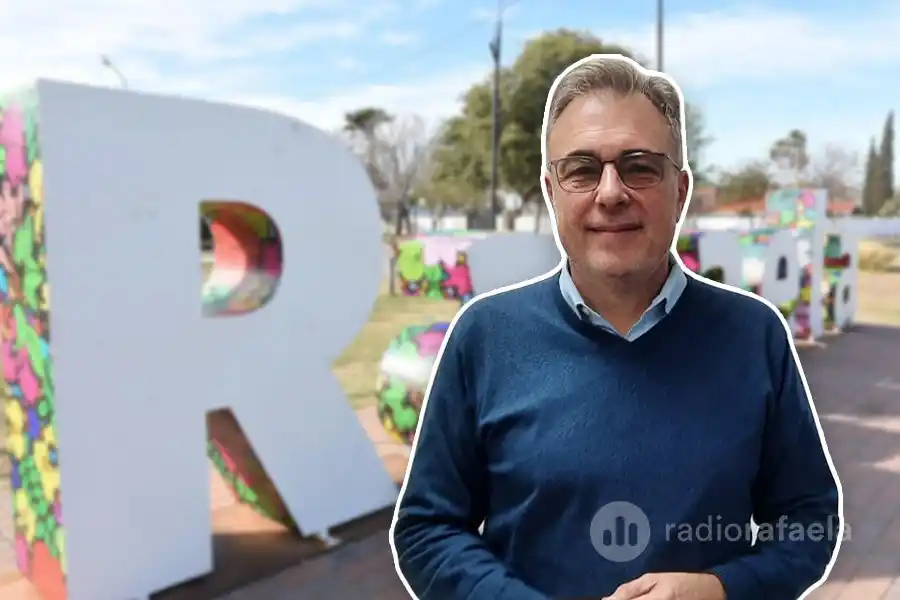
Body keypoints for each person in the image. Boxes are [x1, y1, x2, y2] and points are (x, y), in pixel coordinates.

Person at [389, 54, 842, 600]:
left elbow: (809, 522)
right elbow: (427, 530)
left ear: (680, 191)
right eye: (581, 169)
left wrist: (721, 589)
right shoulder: (485, 337)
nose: (610, 193)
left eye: (639, 166)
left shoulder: (753, 335)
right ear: (552, 190)